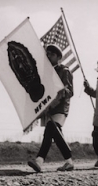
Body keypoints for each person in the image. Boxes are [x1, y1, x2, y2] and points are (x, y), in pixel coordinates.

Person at [28, 44, 74, 173]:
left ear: (59, 57)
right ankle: (69, 161)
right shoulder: (47, 73)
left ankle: (39, 160)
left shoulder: (64, 71)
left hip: (60, 107)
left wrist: (57, 99)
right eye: (47, 54)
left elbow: (69, 90)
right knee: (53, 134)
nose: (48, 56)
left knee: (51, 130)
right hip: (50, 108)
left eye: (52, 54)